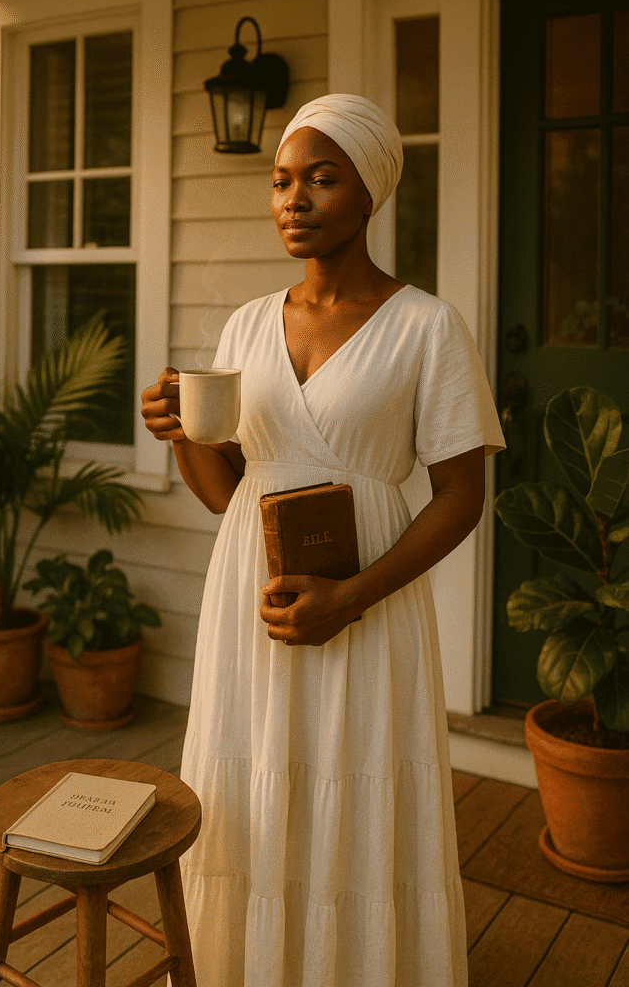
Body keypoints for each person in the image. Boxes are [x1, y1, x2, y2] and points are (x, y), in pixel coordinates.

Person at [141, 94, 506, 987]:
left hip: (366, 596)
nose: (292, 199)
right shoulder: (244, 327)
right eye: (279, 181)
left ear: (369, 191)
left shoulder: (426, 328)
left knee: (354, 772)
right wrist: (182, 434)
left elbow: (462, 495)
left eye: (320, 178)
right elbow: (228, 494)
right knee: (254, 774)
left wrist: (350, 596)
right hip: (250, 594)